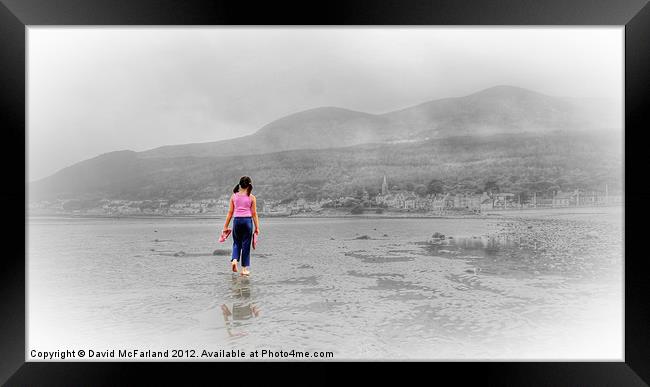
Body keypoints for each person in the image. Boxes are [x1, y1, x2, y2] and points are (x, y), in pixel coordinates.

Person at [222, 176, 260, 276]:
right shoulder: (252, 197)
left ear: (239, 184)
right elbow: (254, 213)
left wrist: (225, 226)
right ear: (249, 185)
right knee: (246, 245)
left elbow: (230, 212)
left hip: (237, 221)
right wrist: (257, 228)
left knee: (236, 243)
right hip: (247, 221)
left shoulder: (234, 196)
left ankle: (234, 260)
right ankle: (244, 270)